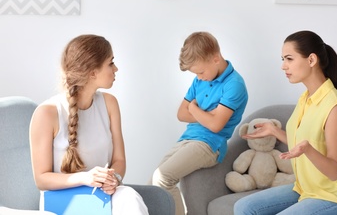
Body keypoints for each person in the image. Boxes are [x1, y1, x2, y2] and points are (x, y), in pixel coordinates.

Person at [234, 30, 337, 215]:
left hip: (334, 196)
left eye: (289, 59)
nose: (283, 66)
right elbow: (304, 142)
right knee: (243, 207)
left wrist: (308, 150)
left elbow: (334, 171)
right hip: (305, 189)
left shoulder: (333, 106)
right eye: (282, 59)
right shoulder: (306, 98)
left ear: (311, 60)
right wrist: (275, 131)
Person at [29, 34, 149, 215]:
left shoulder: (110, 103)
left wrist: (113, 179)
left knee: (129, 197)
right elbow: (41, 179)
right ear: (93, 72)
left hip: (100, 195)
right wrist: (85, 178)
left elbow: (119, 160)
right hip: (63, 200)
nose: (116, 69)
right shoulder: (47, 113)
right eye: (111, 63)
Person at [150, 31, 248, 215]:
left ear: (216, 58)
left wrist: (194, 109)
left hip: (210, 144)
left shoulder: (234, 84)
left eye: (201, 72)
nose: (199, 77)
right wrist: (207, 115)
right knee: (152, 187)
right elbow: (181, 114)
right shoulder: (199, 80)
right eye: (196, 73)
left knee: (163, 178)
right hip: (187, 139)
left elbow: (215, 126)